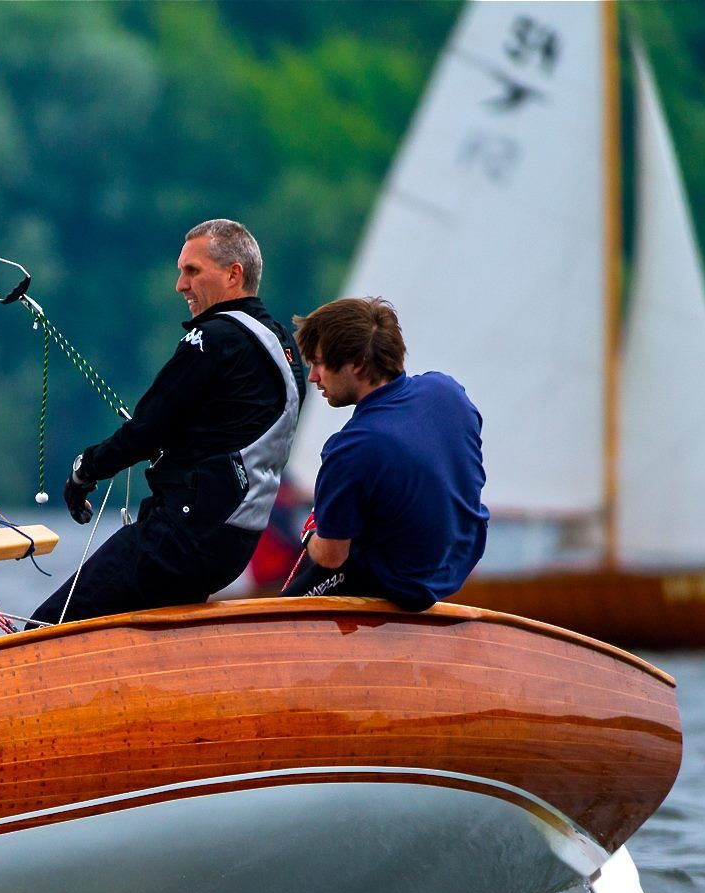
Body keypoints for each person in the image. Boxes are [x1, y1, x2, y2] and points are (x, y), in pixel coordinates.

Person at [32, 219, 305, 624]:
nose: (180, 284)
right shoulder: (281, 345)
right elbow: (218, 428)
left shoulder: (214, 338)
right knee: (129, 634)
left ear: (234, 275)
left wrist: (83, 471)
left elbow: (146, 430)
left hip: (181, 540)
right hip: (233, 545)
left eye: (192, 271)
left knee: (45, 626)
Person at [281, 296, 488, 609]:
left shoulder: (352, 447)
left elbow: (332, 556)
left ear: (358, 364)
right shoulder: (447, 391)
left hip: (400, 585)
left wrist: (308, 534)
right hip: (456, 565)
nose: (312, 377)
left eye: (320, 363)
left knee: (280, 618)